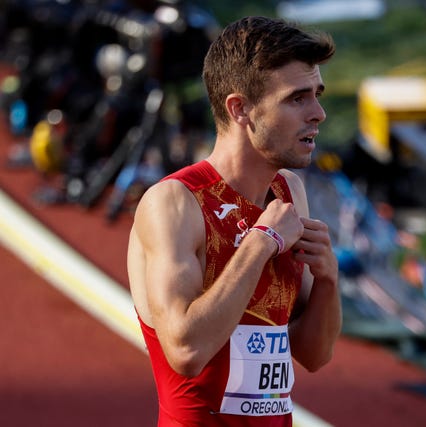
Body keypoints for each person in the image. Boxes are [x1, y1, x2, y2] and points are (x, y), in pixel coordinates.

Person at [127, 16, 342, 427]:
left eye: (316, 94)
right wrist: (260, 244)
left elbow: (314, 355)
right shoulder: (174, 203)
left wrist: (329, 281)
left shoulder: (289, 192)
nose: (319, 113)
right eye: (297, 98)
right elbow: (186, 352)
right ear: (239, 108)